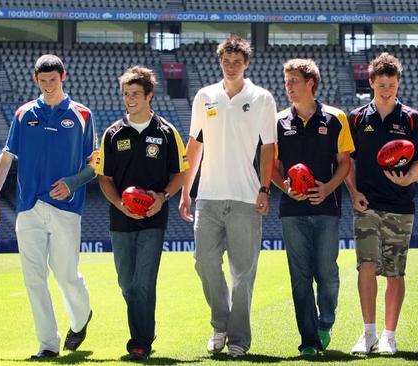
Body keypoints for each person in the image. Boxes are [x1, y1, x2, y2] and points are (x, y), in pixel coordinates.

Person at [0, 54, 95, 359]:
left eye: (53, 80)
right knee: (34, 279)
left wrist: (72, 182)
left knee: (65, 274)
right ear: (36, 80)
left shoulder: (82, 114)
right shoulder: (22, 114)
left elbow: (94, 164)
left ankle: (81, 317)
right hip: (28, 207)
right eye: (43, 81)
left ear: (64, 77)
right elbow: (6, 157)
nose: (48, 86)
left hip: (66, 208)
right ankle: (48, 344)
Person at [178, 35, 277, 358]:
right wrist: (186, 191)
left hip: (246, 197)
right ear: (219, 62)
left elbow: (268, 147)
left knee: (243, 273)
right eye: (226, 61)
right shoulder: (205, 96)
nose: (231, 67)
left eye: (237, 61)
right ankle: (220, 324)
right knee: (204, 263)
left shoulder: (262, 98)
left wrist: (264, 188)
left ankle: (238, 338)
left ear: (247, 63)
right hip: (207, 196)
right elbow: (195, 146)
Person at [95, 66, 189, 361]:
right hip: (120, 220)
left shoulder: (167, 132)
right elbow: (104, 178)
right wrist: (119, 204)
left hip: (154, 219)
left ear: (149, 96)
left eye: (135, 93)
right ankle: (145, 328)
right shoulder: (112, 133)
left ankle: (140, 340)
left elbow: (180, 173)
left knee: (142, 282)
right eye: (126, 94)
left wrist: (163, 198)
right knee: (127, 283)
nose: (130, 99)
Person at [345, 52, 418, 355]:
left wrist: (408, 180)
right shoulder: (356, 118)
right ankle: (367, 333)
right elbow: (347, 163)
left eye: (392, 84)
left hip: (400, 205)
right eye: (381, 85)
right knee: (366, 267)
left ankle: (388, 336)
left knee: (395, 272)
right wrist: (354, 193)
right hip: (366, 206)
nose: (386, 90)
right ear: (371, 83)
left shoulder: (411, 118)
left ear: (398, 83)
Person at [271, 59, 354, 356]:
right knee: (300, 277)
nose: (288, 86)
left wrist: (327, 188)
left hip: (326, 208)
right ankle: (308, 340)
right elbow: (271, 167)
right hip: (291, 212)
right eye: (286, 81)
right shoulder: (278, 121)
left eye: (294, 80)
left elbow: (345, 163)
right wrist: (286, 188)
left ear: (311, 83)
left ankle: (325, 322)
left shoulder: (335, 118)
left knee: (327, 274)